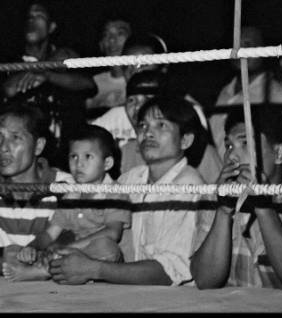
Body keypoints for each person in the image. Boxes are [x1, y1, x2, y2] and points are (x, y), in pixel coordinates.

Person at [47, 95, 209, 286]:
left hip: (169, 298)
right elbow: (92, 221)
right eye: (143, 126)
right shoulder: (133, 178)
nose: (148, 133)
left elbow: (170, 271)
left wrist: (94, 268)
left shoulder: (189, 187)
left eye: (161, 125)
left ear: (185, 140)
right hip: (125, 287)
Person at [191, 106, 282, 291]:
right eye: (229, 146)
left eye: (245, 143)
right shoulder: (215, 194)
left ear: (278, 154)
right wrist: (223, 210)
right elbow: (205, 281)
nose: (232, 156)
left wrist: (263, 209)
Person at [0, 103, 74, 278]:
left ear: (38, 146)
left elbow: (71, 247)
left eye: (15, 137)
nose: (3, 147)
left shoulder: (62, 186)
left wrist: (28, 259)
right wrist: (6, 263)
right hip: (0, 292)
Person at [2, 125, 130, 282]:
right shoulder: (71, 195)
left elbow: (113, 233)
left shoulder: (115, 192)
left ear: (107, 163)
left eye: (88, 156)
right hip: (69, 254)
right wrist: (32, 247)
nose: (79, 164)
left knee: (106, 247)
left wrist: (70, 248)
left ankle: (43, 271)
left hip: (98, 258)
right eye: (73, 157)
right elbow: (50, 233)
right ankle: (46, 266)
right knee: (11, 251)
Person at [1, 1, 96, 166]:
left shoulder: (65, 57)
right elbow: (9, 89)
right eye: (29, 17)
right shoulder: (11, 60)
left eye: (39, 16)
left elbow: (88, 84)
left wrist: (47, 75)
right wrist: (40, 69)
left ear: (52, 27)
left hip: (65, 155)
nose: (32, 21)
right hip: (24, 155)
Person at [92, 70, 222, 182]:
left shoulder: (201, 151)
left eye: (147, 99)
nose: (138, 107)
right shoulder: (125, 151)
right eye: (132, 100)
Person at [208, 26, 282, 158]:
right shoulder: (223, 93)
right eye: (235, 44)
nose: (239, 50)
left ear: (264, 50)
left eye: (247, 45)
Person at [85, 17, 132, 114]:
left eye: (120, 33)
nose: (111, 40)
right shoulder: (90, 83)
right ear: (101, 44)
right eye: (106, 35)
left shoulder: (143, 81)